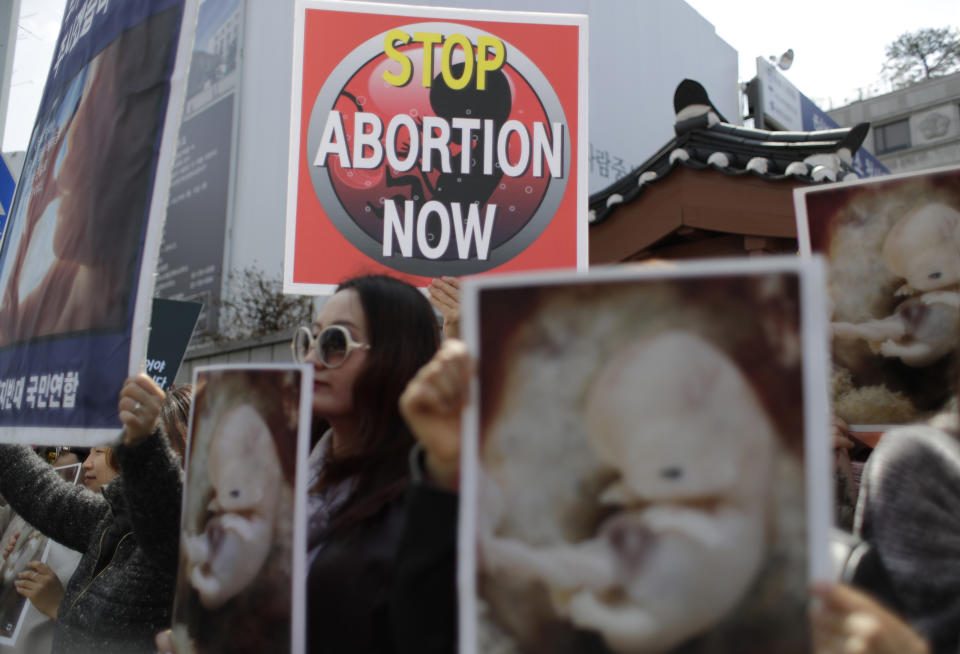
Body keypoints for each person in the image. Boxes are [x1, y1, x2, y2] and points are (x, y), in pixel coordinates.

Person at [299, 274, 441, 653]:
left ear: (395, 355)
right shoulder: (283, 480)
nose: (312, 359)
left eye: (335, 343)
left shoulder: (426, 509)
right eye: (310, 339)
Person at [0, 374, 188, 654]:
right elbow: (42, 493)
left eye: (168, 451)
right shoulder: (114, 520)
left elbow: (166, 510)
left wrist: (144, 442)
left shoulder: (192, 543)